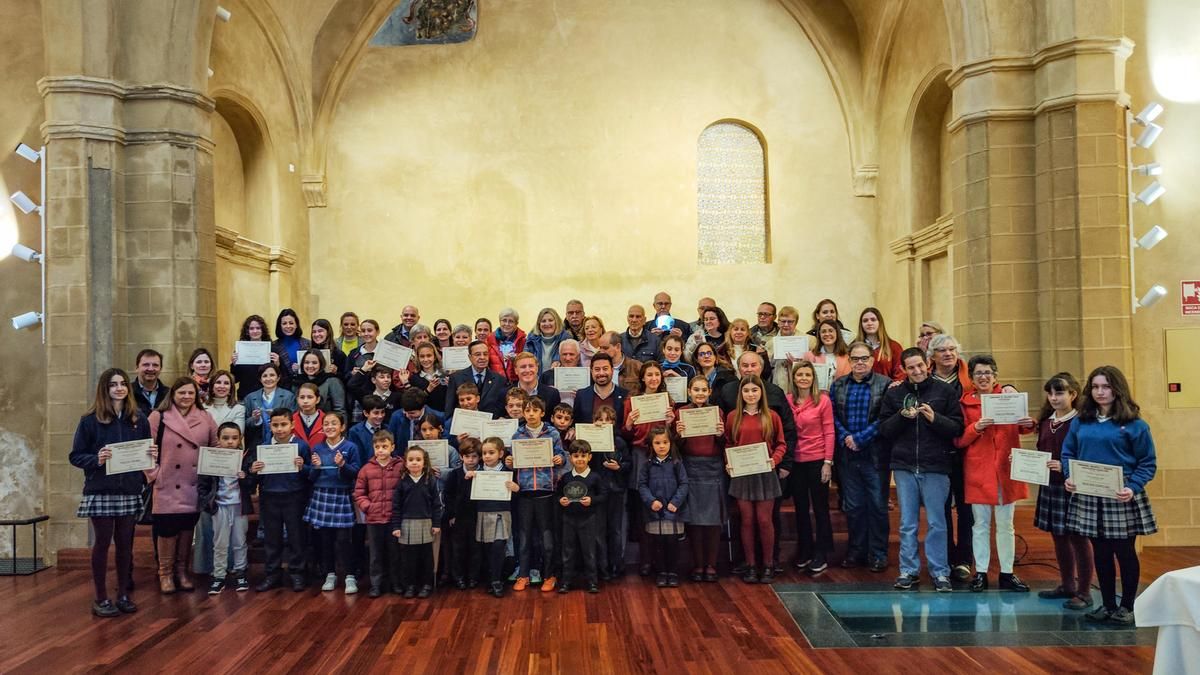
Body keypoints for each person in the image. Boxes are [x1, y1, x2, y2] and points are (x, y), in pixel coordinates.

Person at [1063, 366, 1158, 626]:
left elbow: (1147, 462)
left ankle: (1127, 606)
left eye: (1106, 387)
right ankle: (1107, 604)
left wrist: (1133, 486)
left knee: (1124, 551)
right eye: (1095, 387)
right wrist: (1069, 476)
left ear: (1117, 390)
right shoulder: (1081, 421)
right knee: (1101, 552)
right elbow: (1068, 453)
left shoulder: (1135, 425)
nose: (1100, 392)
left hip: (1121, 494)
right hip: (1089, 495)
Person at [878, 347, 964, 592]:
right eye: (911, 367)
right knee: (907, 523)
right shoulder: (894, 394)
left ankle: (940, 572)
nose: (916, 371)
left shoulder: (944, 391)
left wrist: (934, 418)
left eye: (920, 365)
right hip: (905, 466)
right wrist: (901, 417)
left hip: (936, 465)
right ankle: (908, 570)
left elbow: (956, 428)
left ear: (928, 364)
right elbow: (884, 429)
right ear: (904, 370)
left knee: (937, 522)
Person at [70, 367, 153, 617]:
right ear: (105, 389)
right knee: (103, 543)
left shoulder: (138, 419)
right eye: (113, 384)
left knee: (126, 544)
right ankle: (100, 597)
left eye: (123, 384)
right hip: (101, 489)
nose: (119, 388)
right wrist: (97, 458)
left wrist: (150, 456)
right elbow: (75, 456)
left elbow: (146, 453)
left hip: (128, 489)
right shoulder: (90, 420)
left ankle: (124, 594)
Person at [954, 355, 1034, 592]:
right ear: (971, 378)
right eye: (978, 373)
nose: (983, 377)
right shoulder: (964, 403)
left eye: (988, 372)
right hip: (978, 470)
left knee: (1006, 524)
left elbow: (1023, 427)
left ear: (995, 375)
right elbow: (958, 440)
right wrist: (975, 428)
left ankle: (1007, 573)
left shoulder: (1008, 397)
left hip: (1005, 469)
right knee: (980, 524)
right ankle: (980, 573)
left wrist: (1029, 421)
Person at [146, 377, 219, 594]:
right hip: (167, 483)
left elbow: (215, 446)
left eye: (190, 393)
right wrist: (154, 475)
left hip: (193, 483)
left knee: (187, 528)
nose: (186, 397)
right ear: (173, 395)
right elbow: (145, 449)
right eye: (182, 393)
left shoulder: (205, 417)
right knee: (167, 529)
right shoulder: (158, 417)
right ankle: (165, 573)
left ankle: (182, 572)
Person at [1032, 372, 1094, 610]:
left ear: (1073, 394)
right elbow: (1041, 452)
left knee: (1079, 538)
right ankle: (1067, 585)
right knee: (1058, 537)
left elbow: (1087, 456)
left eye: (1060, 393)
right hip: (1051, 485)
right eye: (1050, 393)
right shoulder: (1047, 422)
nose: (1054, 397)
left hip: (1074, 487)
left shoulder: (1081, 422)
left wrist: (1065, 466)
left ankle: (1085, 591)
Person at [829, 342, 891, 572]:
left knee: (877, 505)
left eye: (864, 358)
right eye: (855, 359)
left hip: (874, 455)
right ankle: (856, 551)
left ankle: (878, 554)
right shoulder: (839, 385)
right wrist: (847, 437)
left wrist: (860, 438)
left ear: (872, 360)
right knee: (853, 506)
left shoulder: (884, 385)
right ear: (850, 361)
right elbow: (832, 415)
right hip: (847, 455)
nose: (860, 363)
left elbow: (885, 418)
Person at [725, 374, 789, 584]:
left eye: (754, 390)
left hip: (765, 474)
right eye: (746, 391)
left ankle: (768, 564)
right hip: (742, 474)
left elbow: (781, 444)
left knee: (764, 520)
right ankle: (751, 565)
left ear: (761, 392)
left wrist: (775, 460)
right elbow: (728, 443)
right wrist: (729, 461)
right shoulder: (733, 416)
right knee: (747, 521)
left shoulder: (771, 416)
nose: (750, 394)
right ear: (740, 394)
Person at [926, 334, 974, 580]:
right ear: (932, 356)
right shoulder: (924, 380)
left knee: (966, 508)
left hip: (967, 450)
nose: (948, 354)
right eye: (942, 350)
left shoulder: (970, 379)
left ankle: (964, 559)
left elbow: (994, 387)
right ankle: (944, 556)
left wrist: (1009, 388)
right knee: (940, 508)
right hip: (935, 451)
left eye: (952, 349)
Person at [507, 396, 566, 593]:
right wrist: (510, 461)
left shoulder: (552, 433)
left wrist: (560, 458)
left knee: (547, 539)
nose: (531, 414)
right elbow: (513, 461)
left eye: (535, 410)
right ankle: (523, 574)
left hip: (546, 491)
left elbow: (562, 456)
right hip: (524, 492)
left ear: (542, 413)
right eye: (527, 411)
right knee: (524, 538)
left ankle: (549, 575)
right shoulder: (517, 435)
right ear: (523, 413)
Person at [250, 409, 310, 592]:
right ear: (270, 426)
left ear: (292, 425)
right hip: (270, 496)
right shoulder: (263, 446)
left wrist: (303, 467)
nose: (280, 429)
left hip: (294, 496)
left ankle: (297, 573)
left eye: (283, 424)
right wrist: (254, 469)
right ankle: (272, 574)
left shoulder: (301, 446)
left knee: (296, 537)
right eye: (275, 425)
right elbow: (255, 477)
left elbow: (311, 474)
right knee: (271, 538)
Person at [193, 370, 246, 577]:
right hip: (209, 464)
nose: (222, 386)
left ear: (231, 387)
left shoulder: (238, 408)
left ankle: (237, 568)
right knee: (210, 525)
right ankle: (212, 568)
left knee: (236, 535)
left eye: (226, 383)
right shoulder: (203, 408)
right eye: (218, 382)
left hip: (231, 461)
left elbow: (235, 434)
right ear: (212, 385)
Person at [674, 375, 725, 582]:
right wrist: (678, 435)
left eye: (704, 390)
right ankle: (697, 565)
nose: (700, 393)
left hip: (713, 468)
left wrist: (722, 435)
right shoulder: (682, 413)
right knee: (694, 520)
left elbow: (724, 445)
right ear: (689, 392)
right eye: (696, 389)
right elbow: (675, 448)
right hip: (690, 468)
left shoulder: (717, 412)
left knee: (712, 521)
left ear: (710, 392)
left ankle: (711, 565)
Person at [786, 361, 835, 575]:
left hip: (817, 461)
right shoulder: (788, 400)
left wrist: (827, 462)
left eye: (807, 374)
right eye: (800, 375)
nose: (803, 378)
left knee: (820, 508)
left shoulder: (822, 401)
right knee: (801, 509)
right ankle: (805, 549)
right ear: (794, 378)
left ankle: (822, 552)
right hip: (796, 462)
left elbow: (830, 432)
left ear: (813, 378)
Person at [304, 412, 361, 595]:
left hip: (341, 495)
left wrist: (343, 464)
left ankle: (350, 575)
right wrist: (317, 467)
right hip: (321, 494)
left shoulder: (350, 447)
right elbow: (311, 477)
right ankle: (330, 574)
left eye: (334, 423)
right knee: (325, 539)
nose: (329, 427)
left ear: (342, 427)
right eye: (326, 424)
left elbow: (355, 473)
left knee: (344, 539)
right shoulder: (318, 448)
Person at [197, 422, 254, 595]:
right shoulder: (211, 458)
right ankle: (219, 576)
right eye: (226, 438)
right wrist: (208, 502)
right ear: (218, 439)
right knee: (220, 543)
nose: (230, 442)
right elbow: (203, 484)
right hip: (220, 506)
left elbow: (251, 485)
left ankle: (240, 572)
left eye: (234, 438)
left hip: (239, 506)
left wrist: (245, 477)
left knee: (239, 541)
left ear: (240, 439)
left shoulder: (245, 457)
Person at [390, 445, 444, 599]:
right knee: (408, 558)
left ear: (424, 462)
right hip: (406, 524)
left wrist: (436, 523)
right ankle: (410, 585)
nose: (414, 463)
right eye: (411, 460)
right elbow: (396, 506)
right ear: (405, 463)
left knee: (426, 557)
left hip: (426, 523)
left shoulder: (430, 481)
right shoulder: (402, 482)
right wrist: (396, 526)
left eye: (418, 460)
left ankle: (426, 585)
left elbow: (436, 504)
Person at [637, 427, 688, 588]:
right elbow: (642, 485)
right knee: (658, 543)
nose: (661, 446)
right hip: (654, 511)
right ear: (651, 445)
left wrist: (676, 502)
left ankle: (672, 572)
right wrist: (651, 501)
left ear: (671, 443)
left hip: (673, 510)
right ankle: (661, 572)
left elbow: (684, 484)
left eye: (665, 442)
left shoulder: (676, 462)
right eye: (657, 443)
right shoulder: (647, 464)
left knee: (672, 542)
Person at [557, 439, 607, 594]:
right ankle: (566, 582)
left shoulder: (595, 477)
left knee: (589, 551)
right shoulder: (566, 478)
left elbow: (604, 495)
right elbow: (558, 495)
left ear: (589, 457)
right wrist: (561, 500)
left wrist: (592, 500)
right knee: (568, 551)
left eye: (583, 456)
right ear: (571, 458)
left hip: (588, 519)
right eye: (576, 456)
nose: (580, 459)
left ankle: (592, 582)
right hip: (569, 519)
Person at [588, 405, 631, 580]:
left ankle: (616, 565)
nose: (604, 423)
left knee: (615, 530)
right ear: (594, 422)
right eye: (600, 419)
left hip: (615, 490)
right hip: (597, 491)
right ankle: (601, 566)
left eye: (608, 420)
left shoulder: (619, 442)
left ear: (613, 423)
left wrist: (619, 467)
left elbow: (629, 464)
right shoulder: (589, 440)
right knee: (598, 530)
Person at [476, 436, 520, 598]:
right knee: (487, 548)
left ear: (501, 453)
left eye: (491, 452)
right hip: (484, 513)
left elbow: (517, 495)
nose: (487, 456)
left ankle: (496, 580)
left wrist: (516, 489)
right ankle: (492, 579)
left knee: (498, 546)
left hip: (502, 513)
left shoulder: (508, 472)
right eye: (484, 453)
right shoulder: (478, 472)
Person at [443, 437, 483, 590]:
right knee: (458, 549)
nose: (471, 460)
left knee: (475, 549)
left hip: (477, 516)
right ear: (461, 457)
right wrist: (452, 515)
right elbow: (448, 496)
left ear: (479, 457)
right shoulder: (455, 474)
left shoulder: (484, 473)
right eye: (467, 456)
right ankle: (458, 577)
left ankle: (474, 577)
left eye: (474, 456)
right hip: (459, 517)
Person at [446, 340, 507, 417]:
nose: (482, 357)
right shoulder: (456, 378)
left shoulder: (500, 380)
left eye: (485, 354)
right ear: (470, 357)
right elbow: (450, 408)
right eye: (477, 354)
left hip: (490, 425)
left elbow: (501, 409)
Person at [243, 364, 297, 446]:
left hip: (282, 443)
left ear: (278, 378)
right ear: (260, 379)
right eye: (264, 376)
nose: (268, 379)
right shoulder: (250, 398)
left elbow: (293, 420)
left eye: (272, 375)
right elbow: (245, 423)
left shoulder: (288, 396)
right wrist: (255, 419)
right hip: (256, 443)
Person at [573, 352, 628, 428]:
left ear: (612, 370)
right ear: (591, 371)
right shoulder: (581, 395)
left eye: (605, 369)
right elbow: (576, 423)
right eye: (597, 369)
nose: (601, 373)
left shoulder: (625, 395)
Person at [231, 315, 279, 400]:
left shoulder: (272, 350)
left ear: (263, 330)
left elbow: (279, 377)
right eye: (251, 328)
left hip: (268, 395)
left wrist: (277, 365)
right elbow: (235, 379)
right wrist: (234, 365)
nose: (255, 331)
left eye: (258, 328)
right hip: (245, 395)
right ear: (247, 331)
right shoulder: (240, 350)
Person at [292, 350, 347, 415]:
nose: (310, 366)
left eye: (314, 363)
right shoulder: (296, 381)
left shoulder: (332, 381)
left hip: (327, 423)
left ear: (321, 364)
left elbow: (340, 410)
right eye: (306, 362)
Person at [856, 307, 904, 381]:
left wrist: (892, 390)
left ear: (879, 322)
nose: (869, 323)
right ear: (861, 324)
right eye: (865, 321)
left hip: (888, 390)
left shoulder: (894, 347)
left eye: (873, 320)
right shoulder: (855, 347)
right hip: (861, 390)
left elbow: (900, 374)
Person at [803, 319, 851, 391]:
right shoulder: (809, 356)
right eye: (823, 331)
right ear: (819, 335)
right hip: (817, 398)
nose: (827, 334)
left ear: (837, 333)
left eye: (831, 331)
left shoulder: (848, 357)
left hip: (841, 398)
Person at [766, 305, 803, 392]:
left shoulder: (807, 341)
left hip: (799, 386)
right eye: (783, 321)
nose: (786, 325)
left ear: (796, 323)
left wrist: (796, 363)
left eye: (790, 322)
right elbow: (767, 369)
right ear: (778, 322)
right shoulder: (770, 343)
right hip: (777, 385)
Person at [524, 307, 572, 373]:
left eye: (550, 320)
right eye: (543, 321)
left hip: (559, 378)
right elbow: (525, 359)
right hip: (536, 379)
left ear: (556, 322)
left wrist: (558, 361)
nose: (547, 324)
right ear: (539, 324)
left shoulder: (566, 338)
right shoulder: (531, 339)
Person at [598, 331, 642, 398]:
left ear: (618, 346)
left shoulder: (636, 366)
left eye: (605, 348)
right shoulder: (597, 367)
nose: (601, 351)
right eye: (600, 348)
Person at [486, 308, 526, 381]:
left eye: (511, 321)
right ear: (500, 321)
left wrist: (517, 358)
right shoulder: (489, 339)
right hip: (496, 382)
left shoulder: (523, 341)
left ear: (516, 323)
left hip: (516, 381)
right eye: (504, 320)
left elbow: (527, 362)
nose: (507, 324)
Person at [272, 308, 310, 385]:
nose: (288, 326)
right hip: (283, 387)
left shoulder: (308, 344)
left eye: (291, 323)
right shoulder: (274, 346)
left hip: (305, 385)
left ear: (296, 325)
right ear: (280, 326)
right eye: (284, 323)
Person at [411, 343, 448, 413]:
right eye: (422, 356)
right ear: (418, 358)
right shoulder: (414, 379)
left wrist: (450, 386)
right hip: (426, 418)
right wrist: (428, 390)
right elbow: (415, 403)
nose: (426, 359)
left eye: (429, 355)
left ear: (435, 357)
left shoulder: (445, 374)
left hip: (445, 414)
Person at [132, 349, 168, 416]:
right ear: (137, 368)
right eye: (146, 365)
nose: (151, 369)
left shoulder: (169, 394)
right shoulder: (127, 393)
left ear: (161, 369)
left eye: (155, 365)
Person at [292, 383, 327, 449]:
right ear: (297, 400)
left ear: (317, 399)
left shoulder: (327, 420)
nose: (305, 401)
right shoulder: (291, 420)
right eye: (302, 397)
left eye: (310, 397)